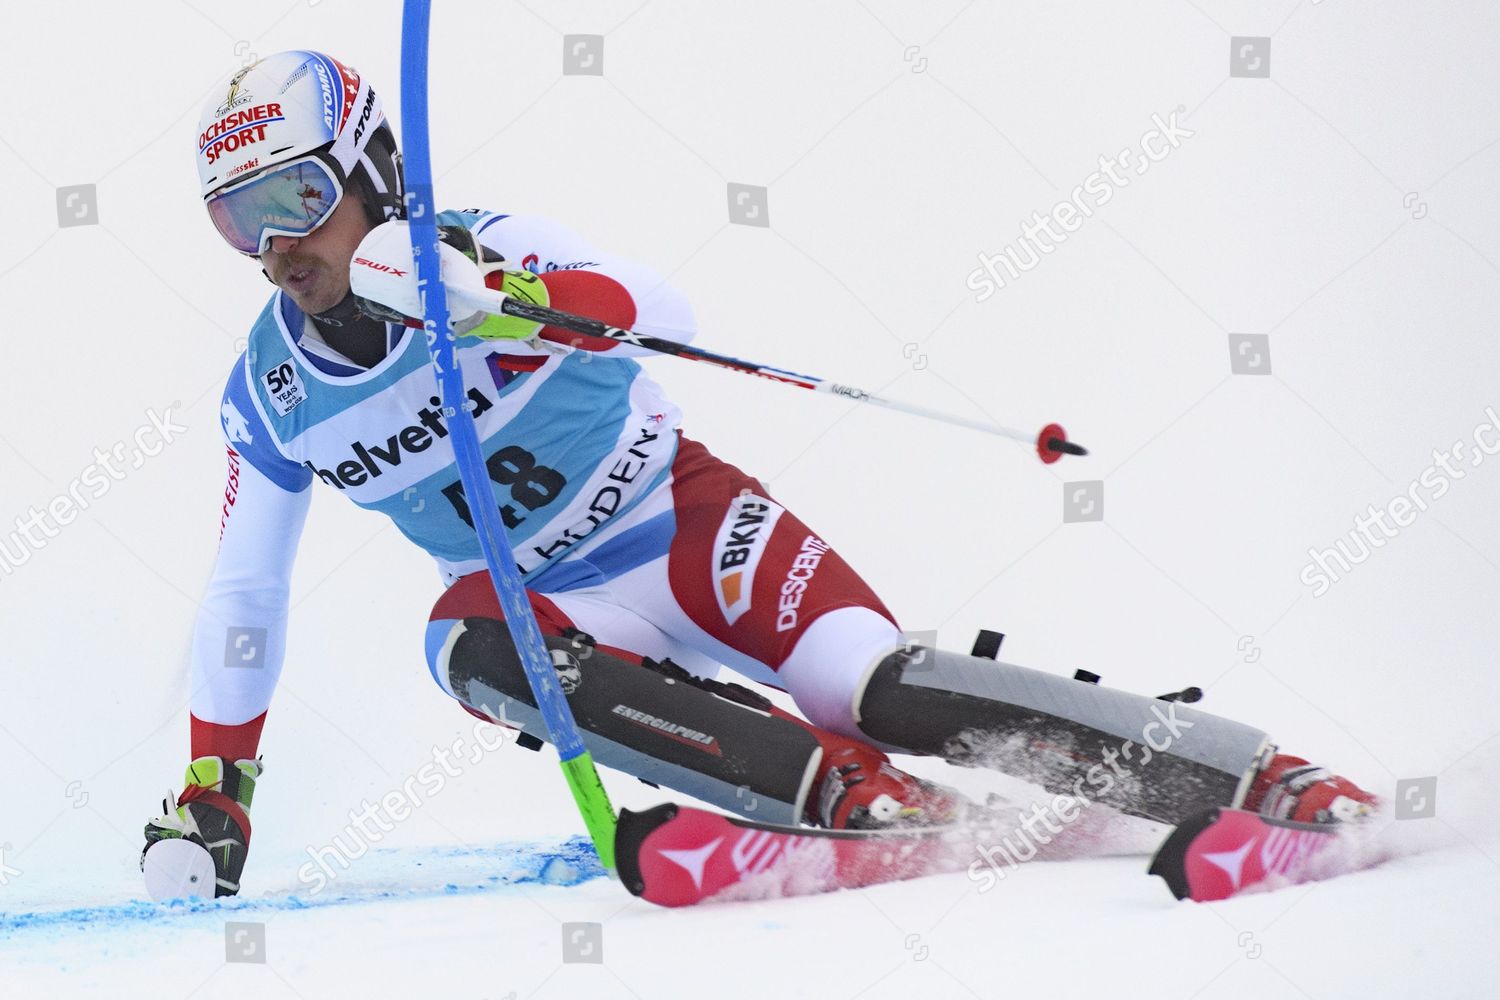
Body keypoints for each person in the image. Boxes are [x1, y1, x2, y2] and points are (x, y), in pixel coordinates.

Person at [143, 50, 1374, 899]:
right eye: (238, 220)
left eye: (299, 198)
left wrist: (526, 308)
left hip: (685, 520)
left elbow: (661, 307)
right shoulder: (271, 393)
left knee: (868, 683)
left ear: (370, 173)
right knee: (462, 641)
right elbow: (246, 592)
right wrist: (216, 779)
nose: (278, 247)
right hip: (550, 607)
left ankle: (1257, 772)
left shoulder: (483, 250)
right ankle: (845, 799)